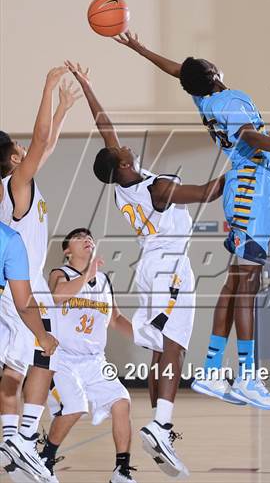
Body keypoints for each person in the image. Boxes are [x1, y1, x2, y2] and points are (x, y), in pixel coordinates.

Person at [112, 32, 270, 410]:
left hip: (246, 186)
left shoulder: (205, 99)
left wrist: (138, 48)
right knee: (246, 284)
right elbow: (249, 135)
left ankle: (211, 369)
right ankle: (246, 376)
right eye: (208, 64)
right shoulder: (229, 98)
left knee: (236, 281)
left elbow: (178, 71)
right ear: (213, 74)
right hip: (251, 187)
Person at [66, 60, 225, 478]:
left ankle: (161, 425)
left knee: (161, 348)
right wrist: (246, 164)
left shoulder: (124, 185)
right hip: (169, 268)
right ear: (121, 166)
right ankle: (162, 424)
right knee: (173, 345)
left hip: (153, 266)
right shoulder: (156, 188)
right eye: (123, 152)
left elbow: (105, 128)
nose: (127, 147)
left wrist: (87, 84)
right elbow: (210, 192)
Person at [0, 67, 80, 480]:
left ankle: (18, 443)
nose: (27, 149)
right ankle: (18, 439)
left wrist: (64, 107)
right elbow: (41, 140)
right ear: (14, 158)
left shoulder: (20, 182)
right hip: (20, 287)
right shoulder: (16, 182)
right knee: (27, 365)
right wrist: (47, 87)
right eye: (20, 148)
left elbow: (44, 147)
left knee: (32, 363)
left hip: (24, 284)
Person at [39, 228, 135, 483]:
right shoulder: (59, 273)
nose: (87, 240)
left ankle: (121, 471)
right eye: (80, 237)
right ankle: (44, 461)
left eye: (90, 237)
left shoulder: (103, 281)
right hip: (62, 359)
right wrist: (86, 274)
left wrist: (146, 337)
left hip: (95, 361)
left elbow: (115, 319)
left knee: (122, 402)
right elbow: (58, 296)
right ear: (67, 250)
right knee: (74, 407)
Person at [0, 220, 58, 480]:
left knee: (14, 370)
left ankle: (16, 441)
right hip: (19, 308)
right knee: (37, 361)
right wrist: (43, 336)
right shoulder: (9, 238)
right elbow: (24, 304)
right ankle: (21, 439)